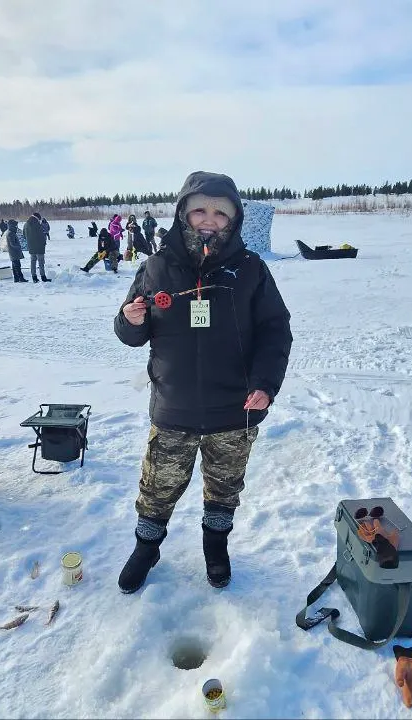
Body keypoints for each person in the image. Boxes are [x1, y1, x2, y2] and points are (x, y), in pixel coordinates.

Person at [113, 171, 292, 593]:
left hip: (235, 409)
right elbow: (132, 332)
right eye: (199, 210)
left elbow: (275, 330)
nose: (208, 219)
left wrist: (266, 384)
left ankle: (216, 546)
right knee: (157, 488)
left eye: (219, 212)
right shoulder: (155, 267)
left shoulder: (251, 269)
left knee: (224, 489)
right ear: (182, 214)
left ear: (234, 219)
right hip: (173, 408)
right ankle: (146, 547)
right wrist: (129, 320)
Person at [24, 213, 50, 283]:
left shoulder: (26, 224)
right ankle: (43, 277)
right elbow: (41, 235)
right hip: (39, 247)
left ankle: (34, 277)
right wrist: (44, 243)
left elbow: (24, 235)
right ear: (37, 218)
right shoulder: (37, 224)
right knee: (41, 262)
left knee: (33, 262)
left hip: (31, 247)